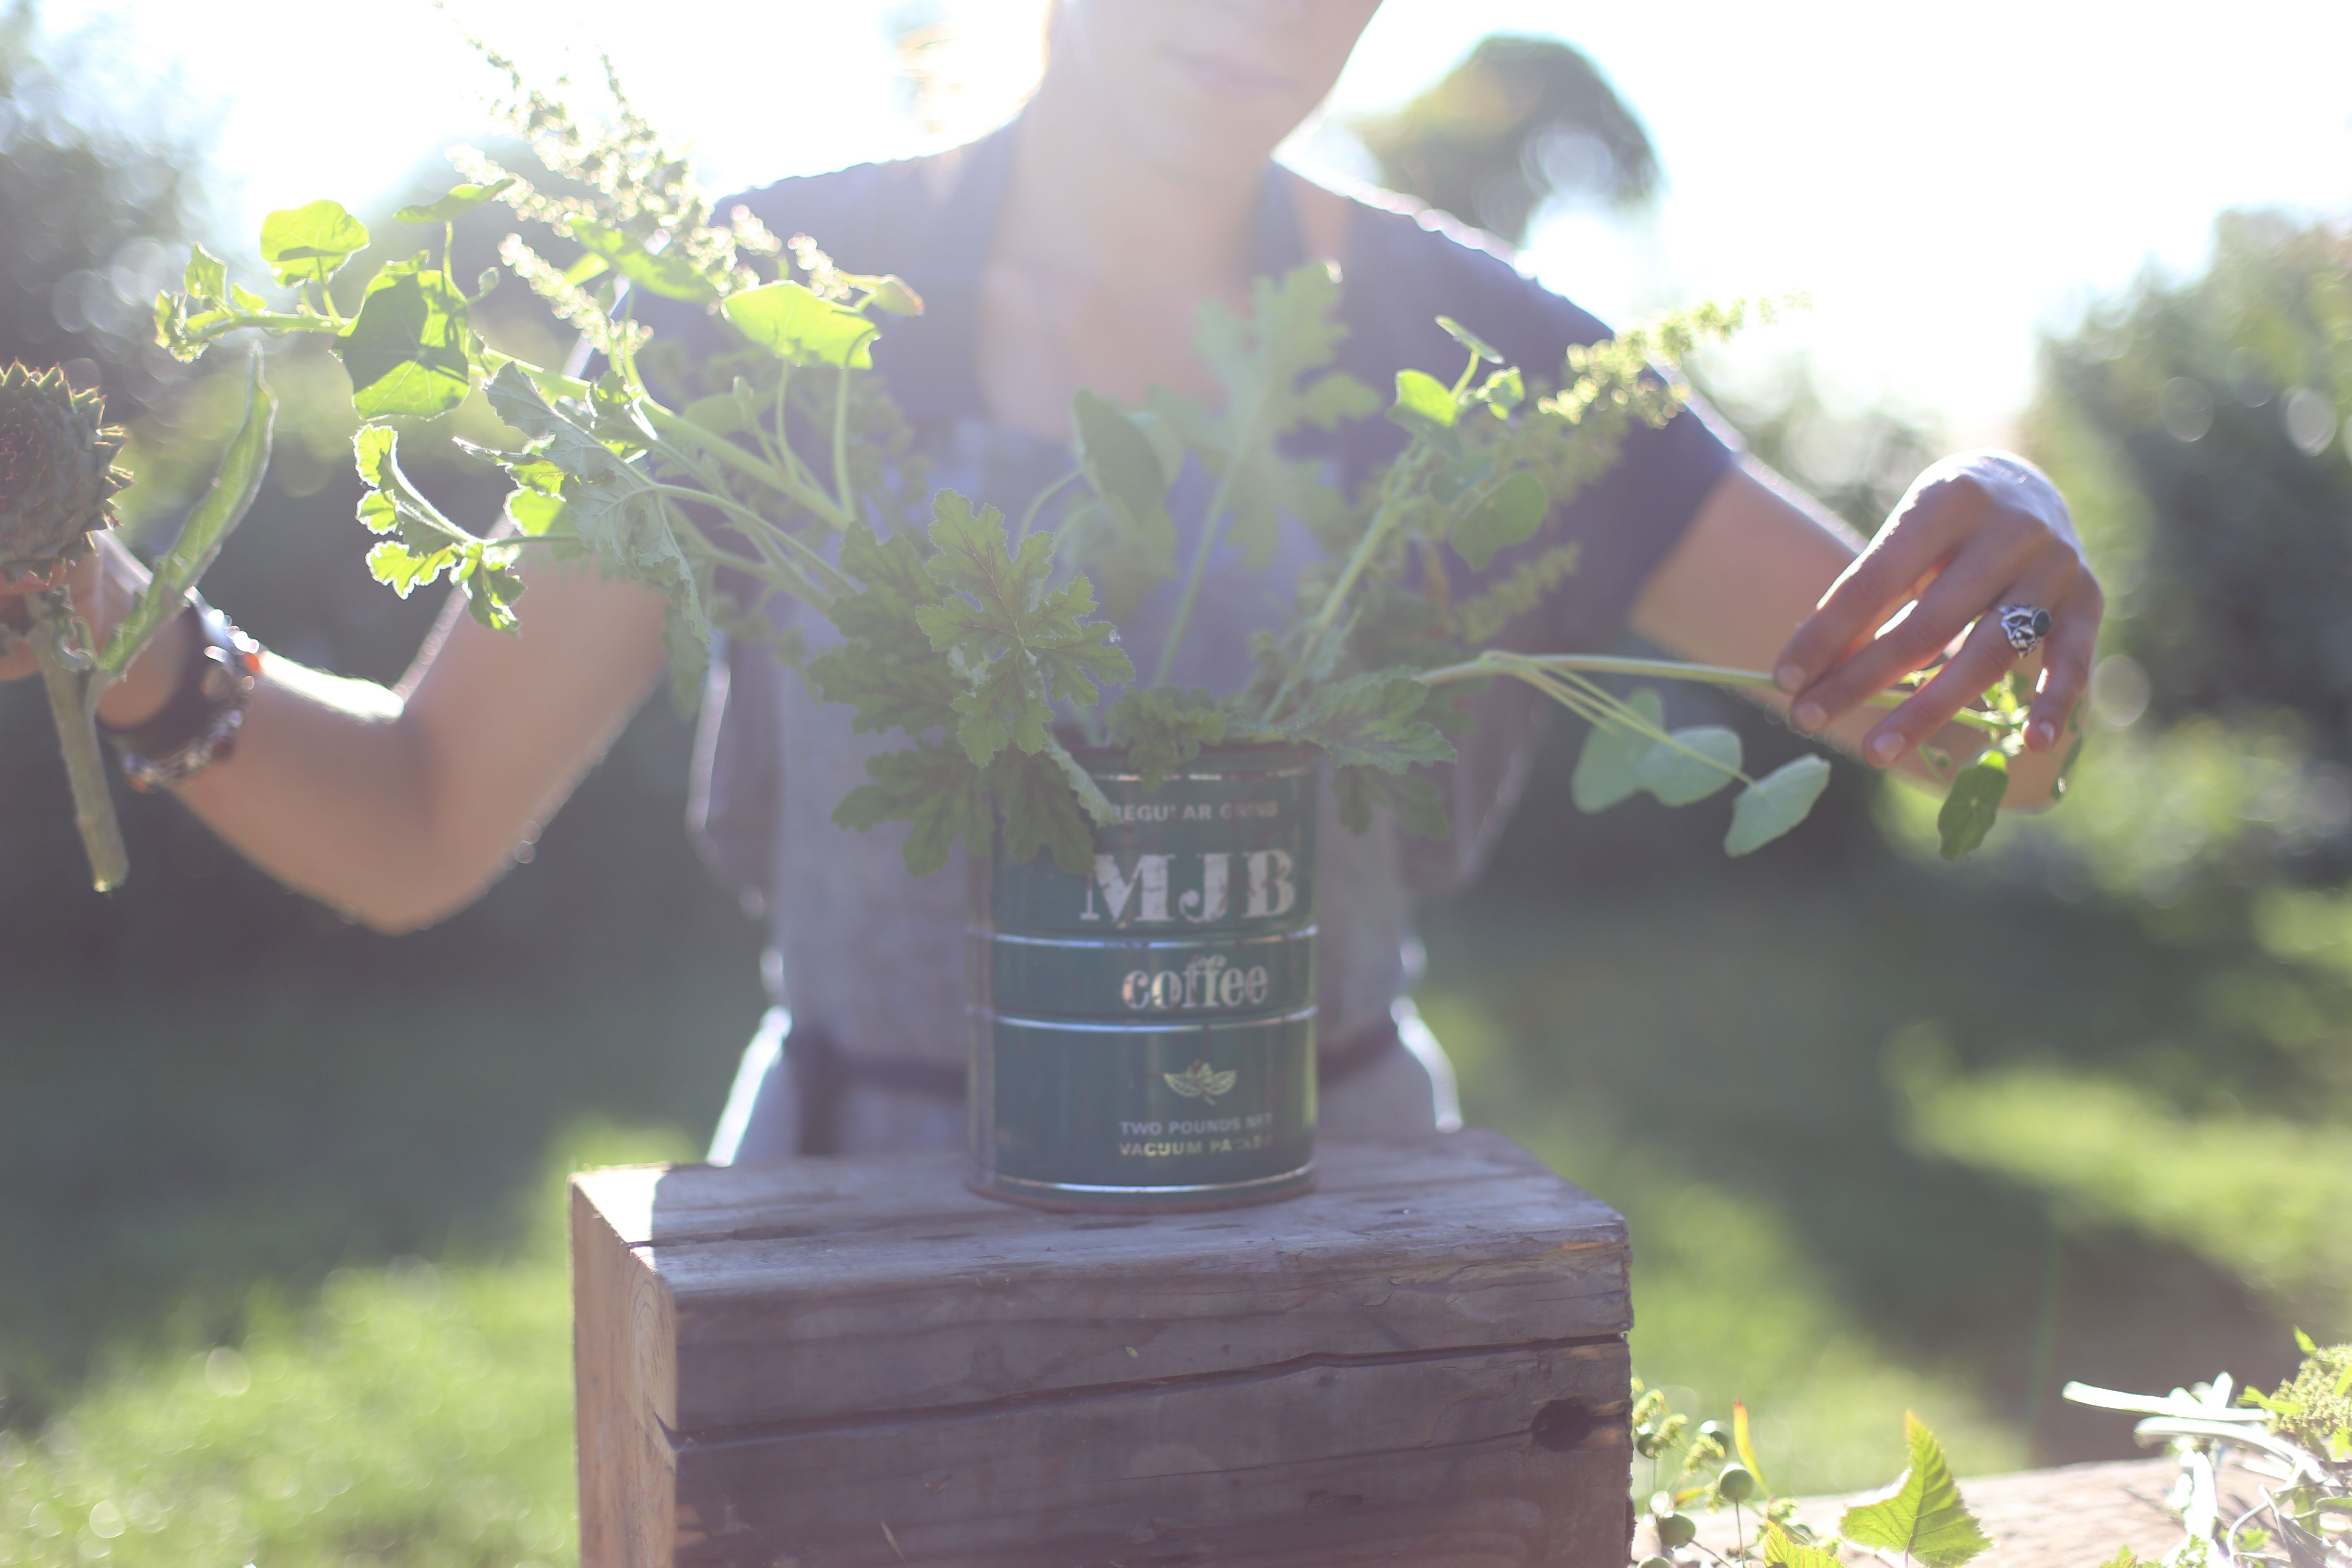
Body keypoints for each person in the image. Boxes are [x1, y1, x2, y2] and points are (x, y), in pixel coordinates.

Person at [0, 0, 2098, 1163]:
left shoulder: (1485, 354)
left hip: (1333, 1228)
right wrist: (94, 597)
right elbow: (423, 818)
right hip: (858, 1230)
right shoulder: (738, 308)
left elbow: (1947, 698)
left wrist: (2008, 540)